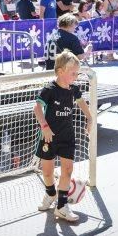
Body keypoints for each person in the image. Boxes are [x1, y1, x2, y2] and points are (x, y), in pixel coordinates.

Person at [34, 50, 93, 222]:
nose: (76, 76)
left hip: (67, 135)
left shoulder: (74, 89)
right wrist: (44, 126)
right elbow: (37, 108)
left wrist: (89, 118)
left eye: (77, 73)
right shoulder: (49, 89)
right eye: (73, 73)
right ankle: (50, 194)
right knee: (47, 172)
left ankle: (61, 206)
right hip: (49, 136)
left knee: (67, 169)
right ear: (60, 72)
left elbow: (81, 102)